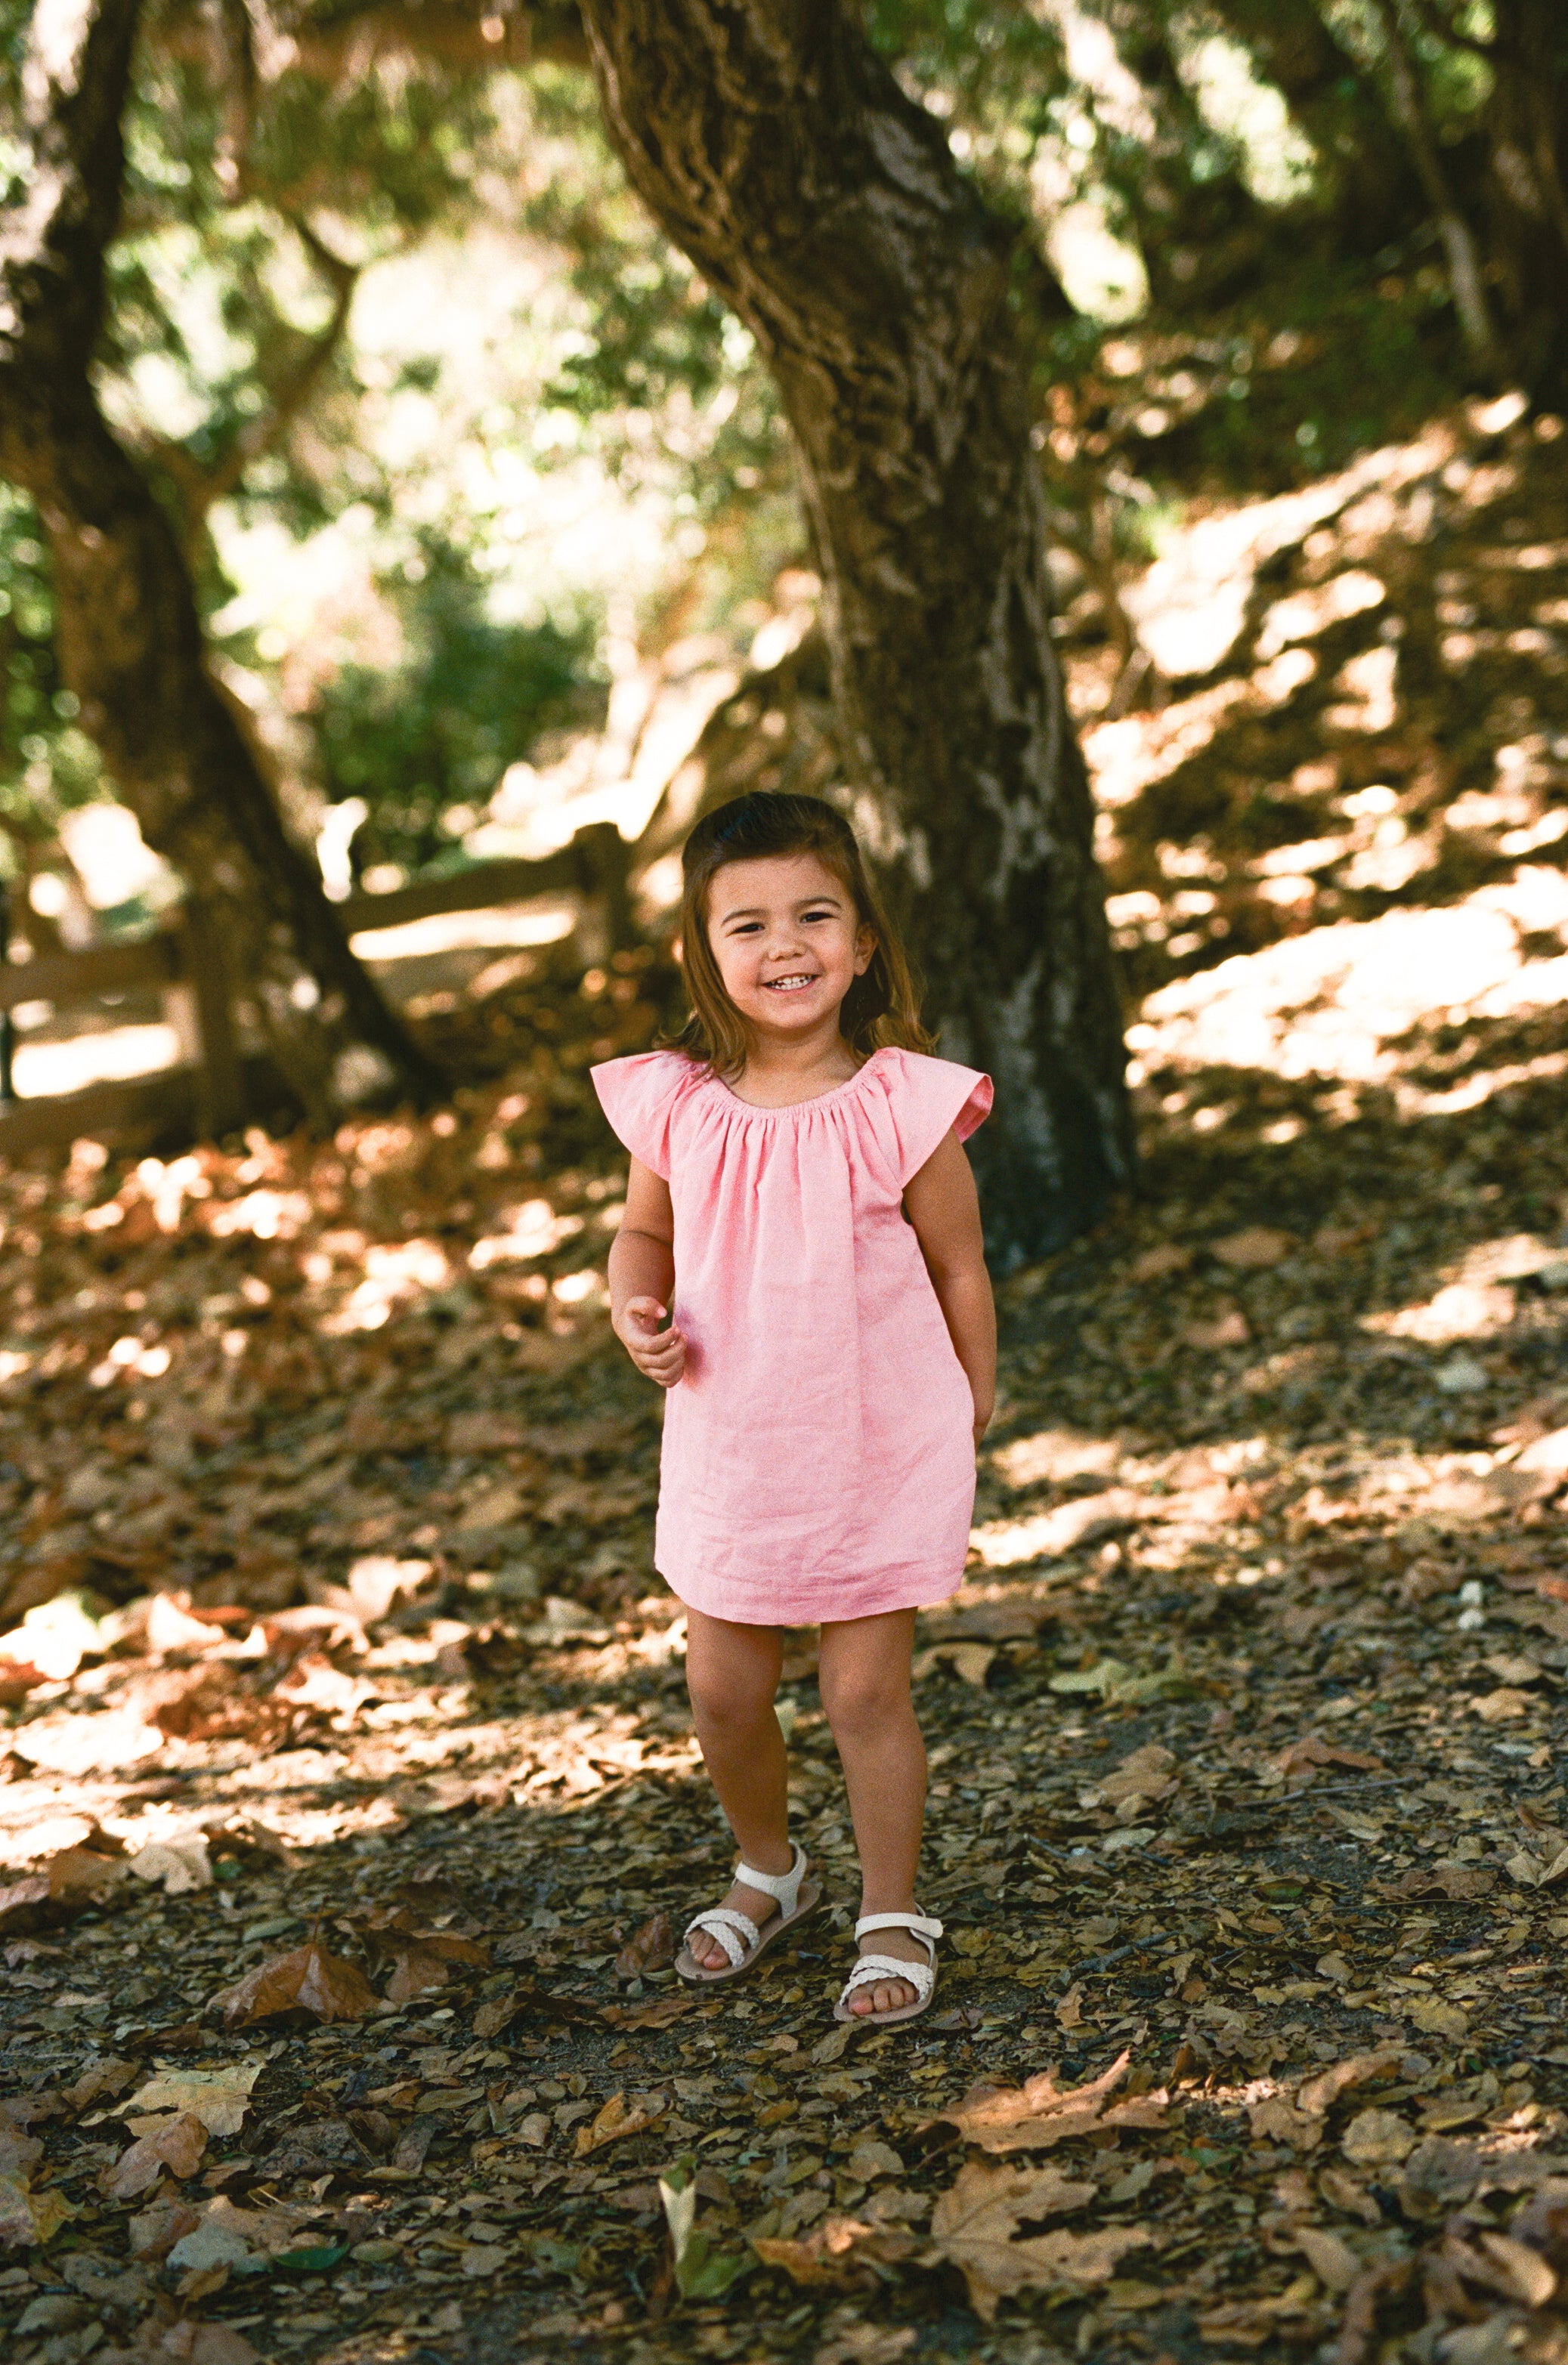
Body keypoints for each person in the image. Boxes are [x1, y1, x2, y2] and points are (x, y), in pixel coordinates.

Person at [592, 791, 995, 2026]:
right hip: (731, 1444)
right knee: (722, 1689)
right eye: (749, 924)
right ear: (700, 954)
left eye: (816, 914)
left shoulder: (899, 1104)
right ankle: (771, 1865)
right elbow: (642, 1229)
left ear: (864, 941)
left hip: (873, 1440)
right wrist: (633, 1304)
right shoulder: (676, 1102)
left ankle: (890, 1906)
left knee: (864, 1694)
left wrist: (973, 1401)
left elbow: (960, 1265)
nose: (787, 946)